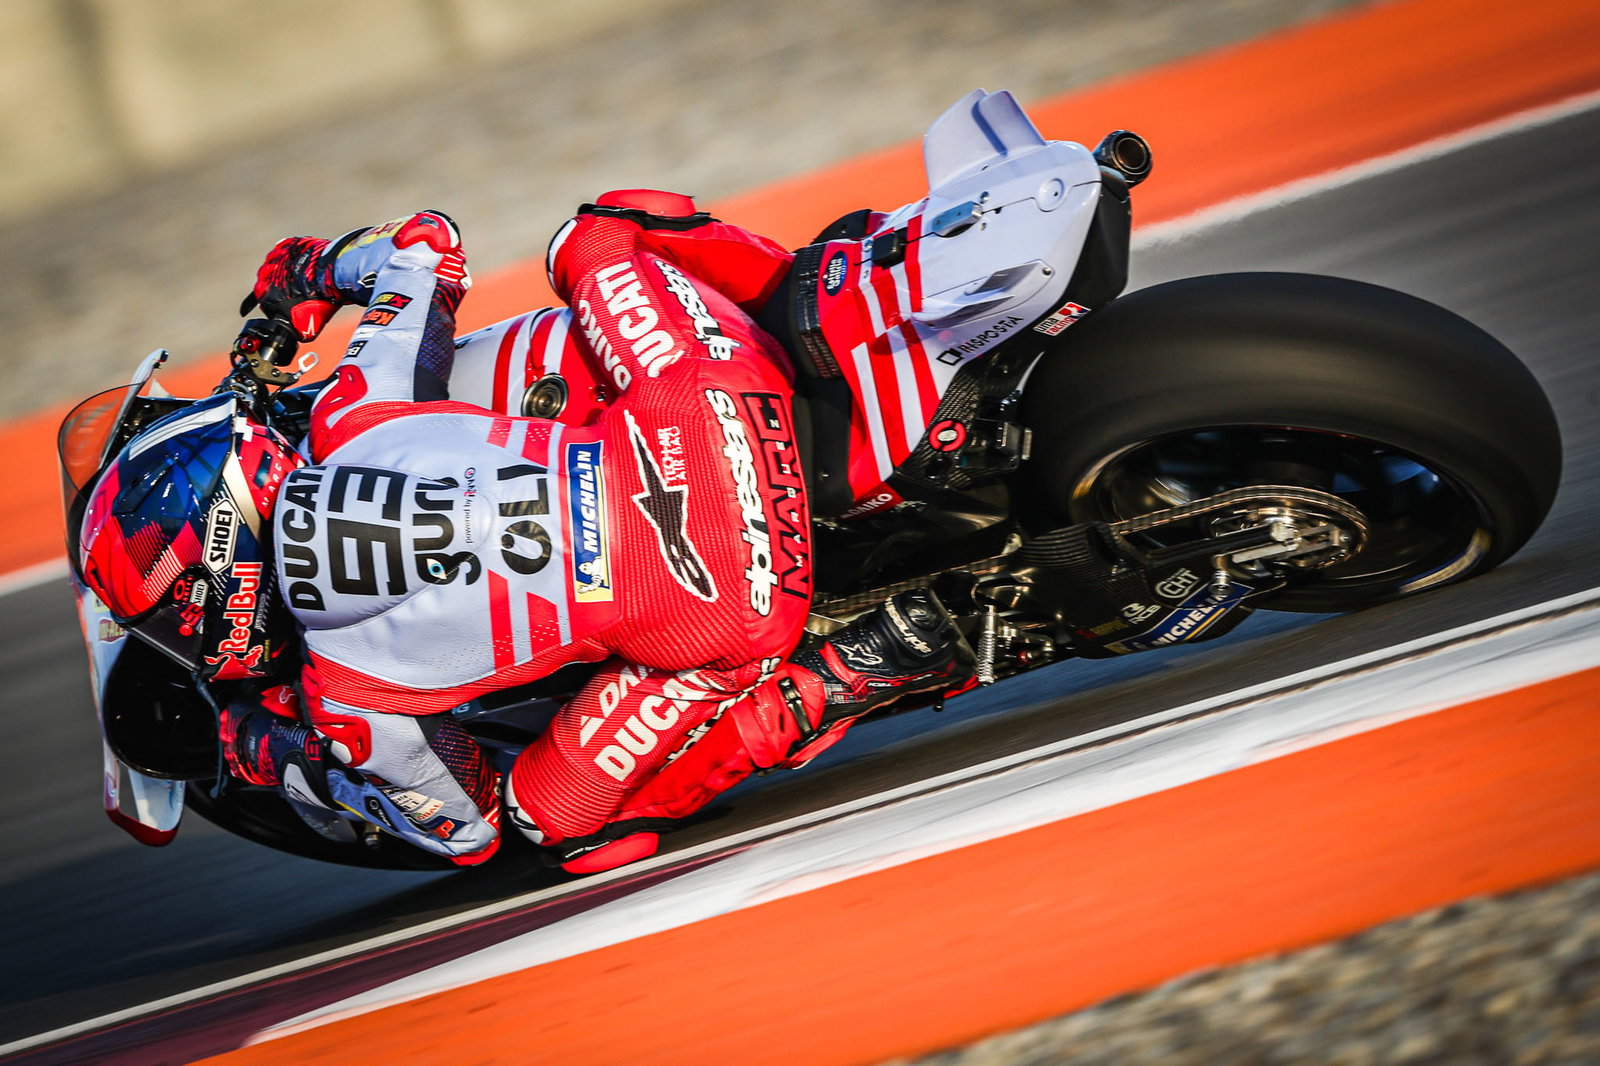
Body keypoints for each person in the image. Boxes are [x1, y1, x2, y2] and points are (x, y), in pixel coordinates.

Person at [79, 194, 973, 873]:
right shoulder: (352, 412)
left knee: (556, 826)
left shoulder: (348, 696)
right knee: (597, 233)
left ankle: (842, 675)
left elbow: (465, 832)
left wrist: (261, 748)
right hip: (711, 399)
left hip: (731, 608)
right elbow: (428, 246)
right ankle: (818, 283)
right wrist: (309, 274)